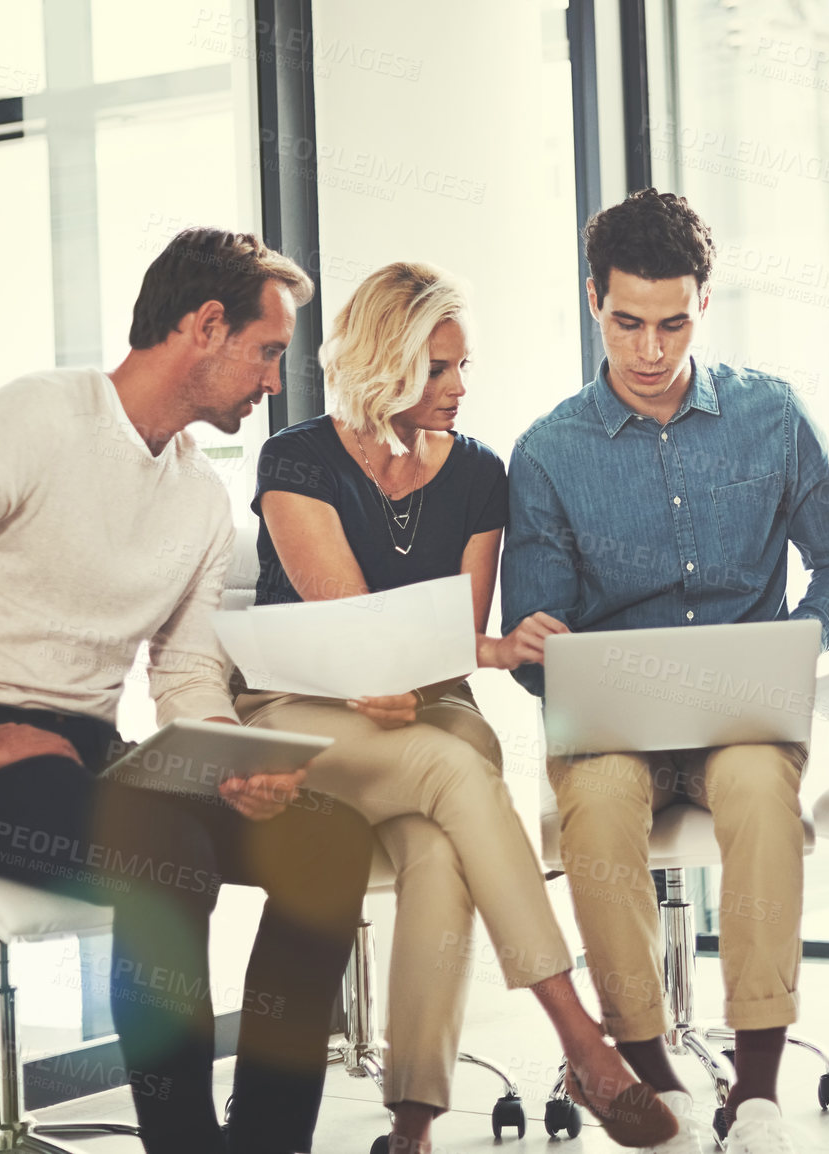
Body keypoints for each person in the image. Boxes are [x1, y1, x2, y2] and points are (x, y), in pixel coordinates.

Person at [0, 228, 377, 1154]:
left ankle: (268, 1144)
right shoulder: (39, 418)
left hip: (81, 759)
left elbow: (188, 671)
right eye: (268, 350)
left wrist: (227, 763)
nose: (276, 380)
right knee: (164, 848)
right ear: (205, 326)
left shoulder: (201, 497)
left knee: (327, 838)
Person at [235, 260, 678, 1152]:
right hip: (305, 712)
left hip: (426, 707)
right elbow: (354, 636)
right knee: (455, 766)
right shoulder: (297, 458)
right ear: (382, 364)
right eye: (438, 369)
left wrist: (491, 650)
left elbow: (450, 637)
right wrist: (459, 655)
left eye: (463, 366)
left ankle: (412, 1124)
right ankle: (582, 1040)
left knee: (441, 848)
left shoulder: (479, 472)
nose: (458, 388)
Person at [500, 188, 829, 1154]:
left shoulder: (771, 414)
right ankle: (649, 1077)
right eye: (627, 322)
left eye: (672, 322)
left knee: (757, 790)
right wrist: (541, 647)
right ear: (594, 301)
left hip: (742, 715)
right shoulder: (547, 452)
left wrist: (796, 639)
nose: (650, 350)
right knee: (597, 803)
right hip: (615, 725)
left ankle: (756, 1089)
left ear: (703, 304)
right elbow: (531, 642)